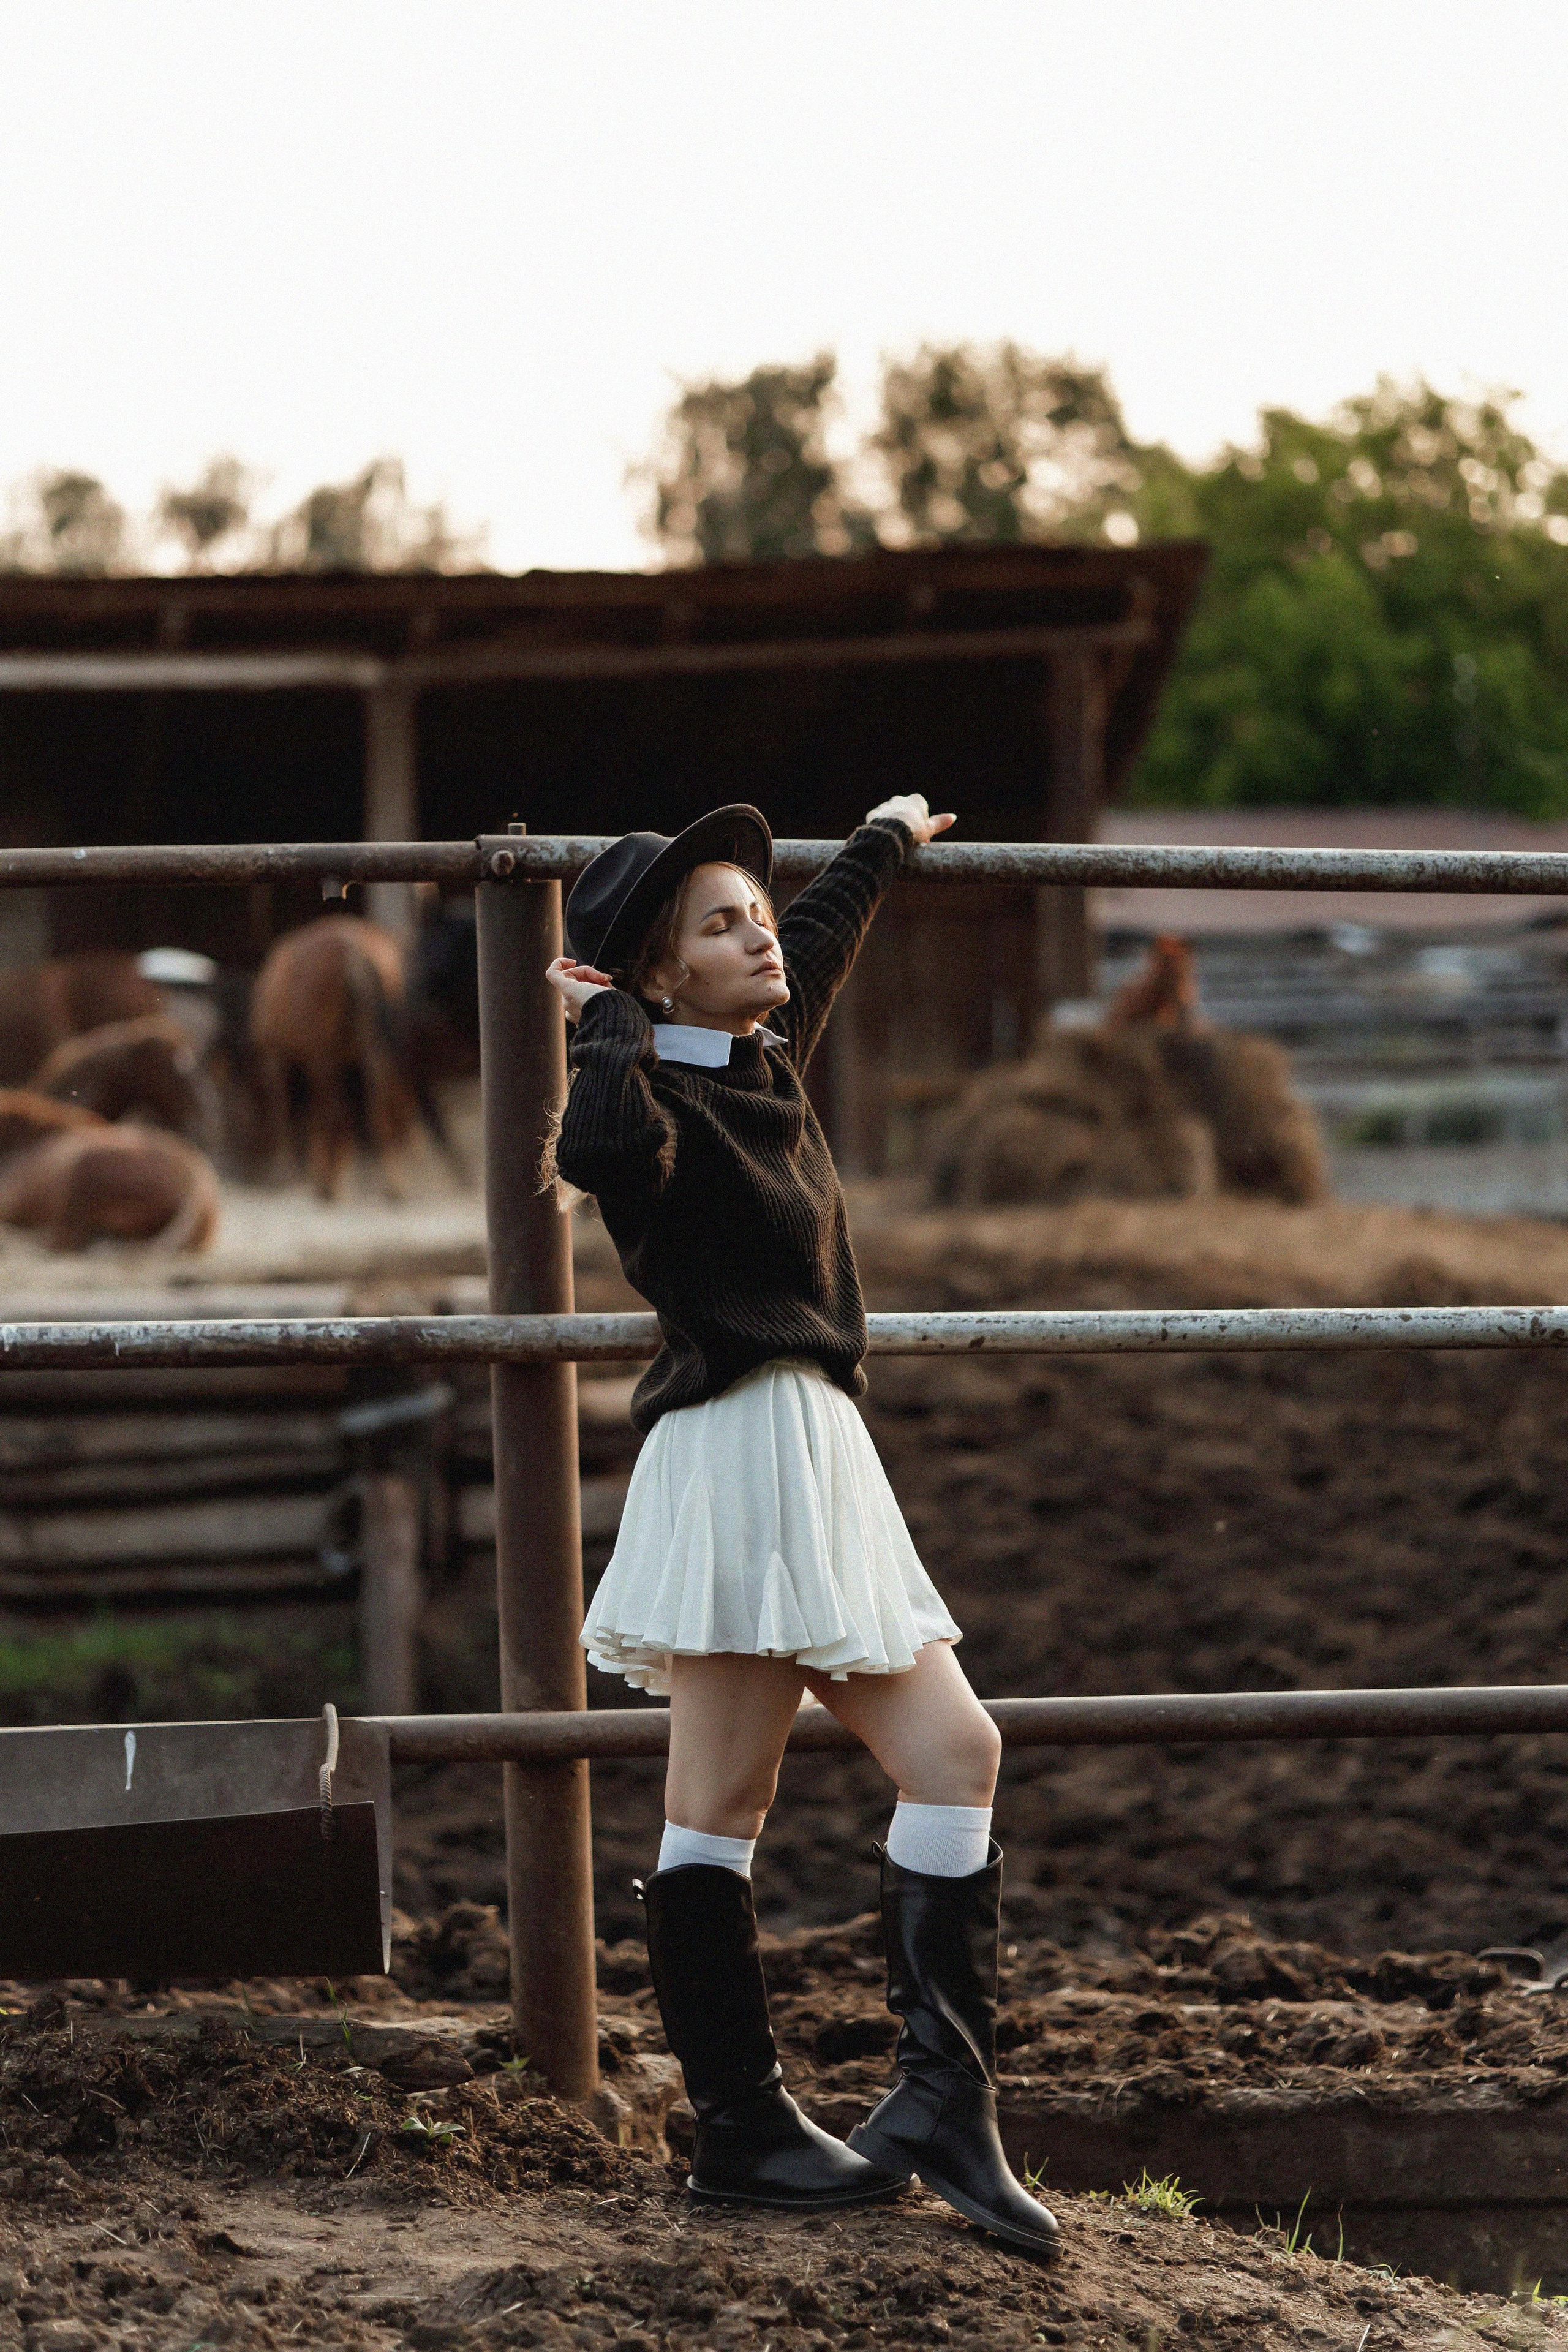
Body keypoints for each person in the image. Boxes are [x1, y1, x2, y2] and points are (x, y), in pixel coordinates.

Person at [547, 797, 1058, 2257]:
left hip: (816, 1447)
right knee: (718, 1808)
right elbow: (587, 1158)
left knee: (945, 1756)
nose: (758, 934)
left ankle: (932, 2106)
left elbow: (818, 934)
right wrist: (602, 1028)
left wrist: (884, 838)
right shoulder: (646, 1106)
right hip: (736, 1451)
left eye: (752, 913)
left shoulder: (768, 1055)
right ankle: (747, 2129)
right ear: (660, 975)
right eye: (720, 924)